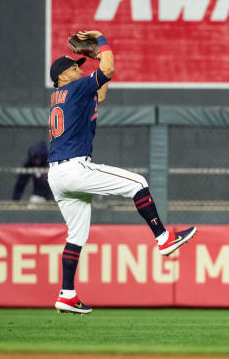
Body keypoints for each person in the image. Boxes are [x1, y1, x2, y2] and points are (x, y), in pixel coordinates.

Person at [47, 30, 196, 314]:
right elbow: (108, 69)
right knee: (138, 182)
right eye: (74, 67)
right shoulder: (75, 89)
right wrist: (102, 40)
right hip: (74, 167)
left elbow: (100, 89)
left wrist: (95, 58)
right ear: (63, 75)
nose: (80, 69)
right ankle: (163, 238)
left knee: (76, 236)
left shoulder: (62, 95)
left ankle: (66, 293)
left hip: (57, 176)